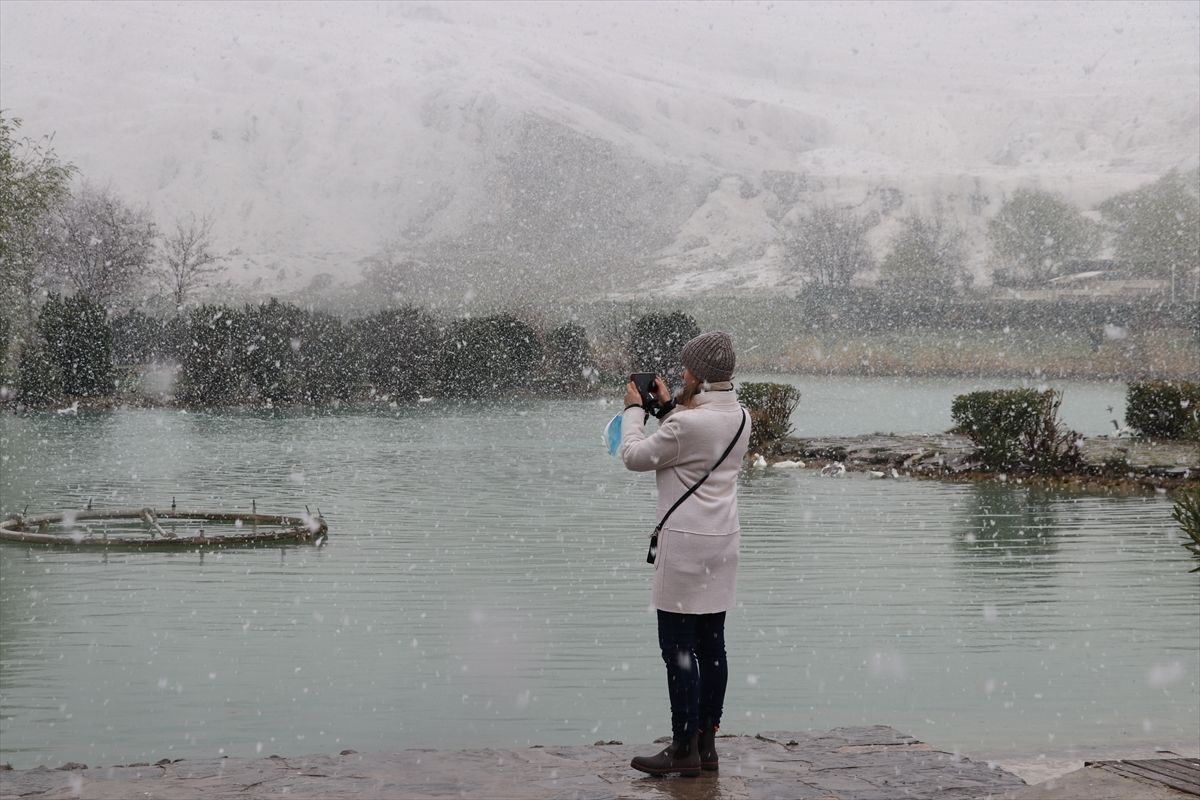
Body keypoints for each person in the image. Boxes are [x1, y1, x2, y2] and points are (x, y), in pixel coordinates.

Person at [617, 330, 751, 777]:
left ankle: (681, 748)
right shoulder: (741, 416)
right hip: (723, 543)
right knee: (712, 646)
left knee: (677, 647)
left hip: (685, 544)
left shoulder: (687, 424)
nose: (680, 372)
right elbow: (698, 440)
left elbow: (634, 456)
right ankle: (706, 744)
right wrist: (669, 408)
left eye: (687, 366)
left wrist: (636, 411)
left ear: (701, 374)